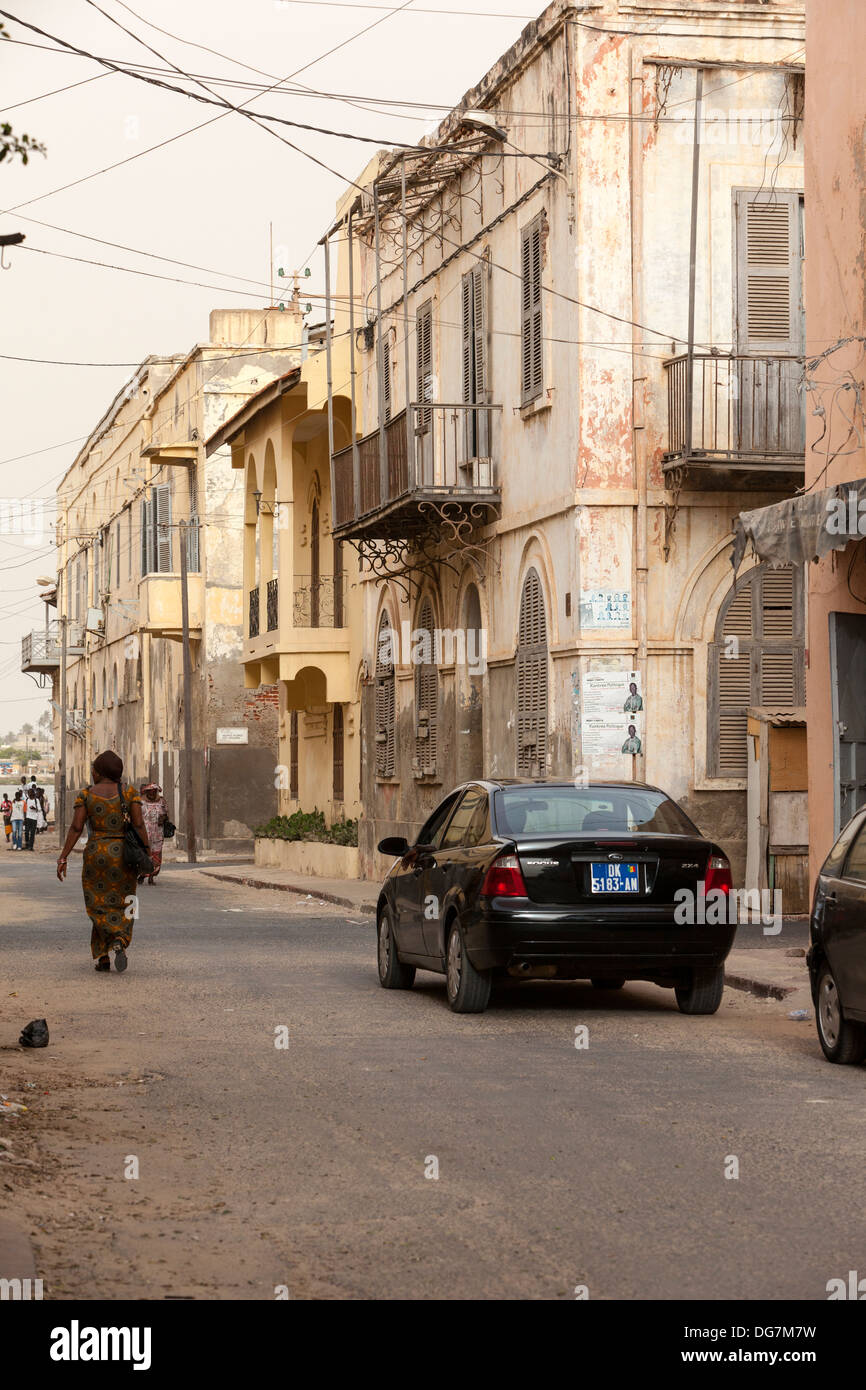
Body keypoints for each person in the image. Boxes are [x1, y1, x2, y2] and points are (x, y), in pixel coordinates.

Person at [57, 750, 149, 974]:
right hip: (124, 855)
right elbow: (138, 825)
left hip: (96, 853)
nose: (91, 773)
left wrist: (63, 856)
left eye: (93, 769)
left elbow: (76, 828)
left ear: (99, 772)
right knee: (127, 901)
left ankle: (103, 957)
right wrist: (148, 853)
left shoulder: (86, 795)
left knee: (98, 903)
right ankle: (120, 938)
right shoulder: (129, 793)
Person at [139, 783, 167, 884]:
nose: (152, 794)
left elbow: (166, 814)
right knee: (145, 855)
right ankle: (142, 875)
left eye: (154, 792)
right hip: (144, 834)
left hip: (157, 833)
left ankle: (151, 877)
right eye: (150, 792)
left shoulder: (162, 801)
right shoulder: (141, 802)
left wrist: (162, 818)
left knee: (156, 855)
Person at [23, 785, 40, 851]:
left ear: (33, 793)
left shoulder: (36, 800)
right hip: (27, 818)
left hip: (34, 819)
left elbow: (39, 809)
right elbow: (24, 810)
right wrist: (24, 819)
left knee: (32, 833)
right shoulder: (26, 800)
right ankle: (27, 845)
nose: (29, 794)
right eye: (28, 792)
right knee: (26, 832)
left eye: (30, 792)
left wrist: (34, 808)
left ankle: (31, 846)